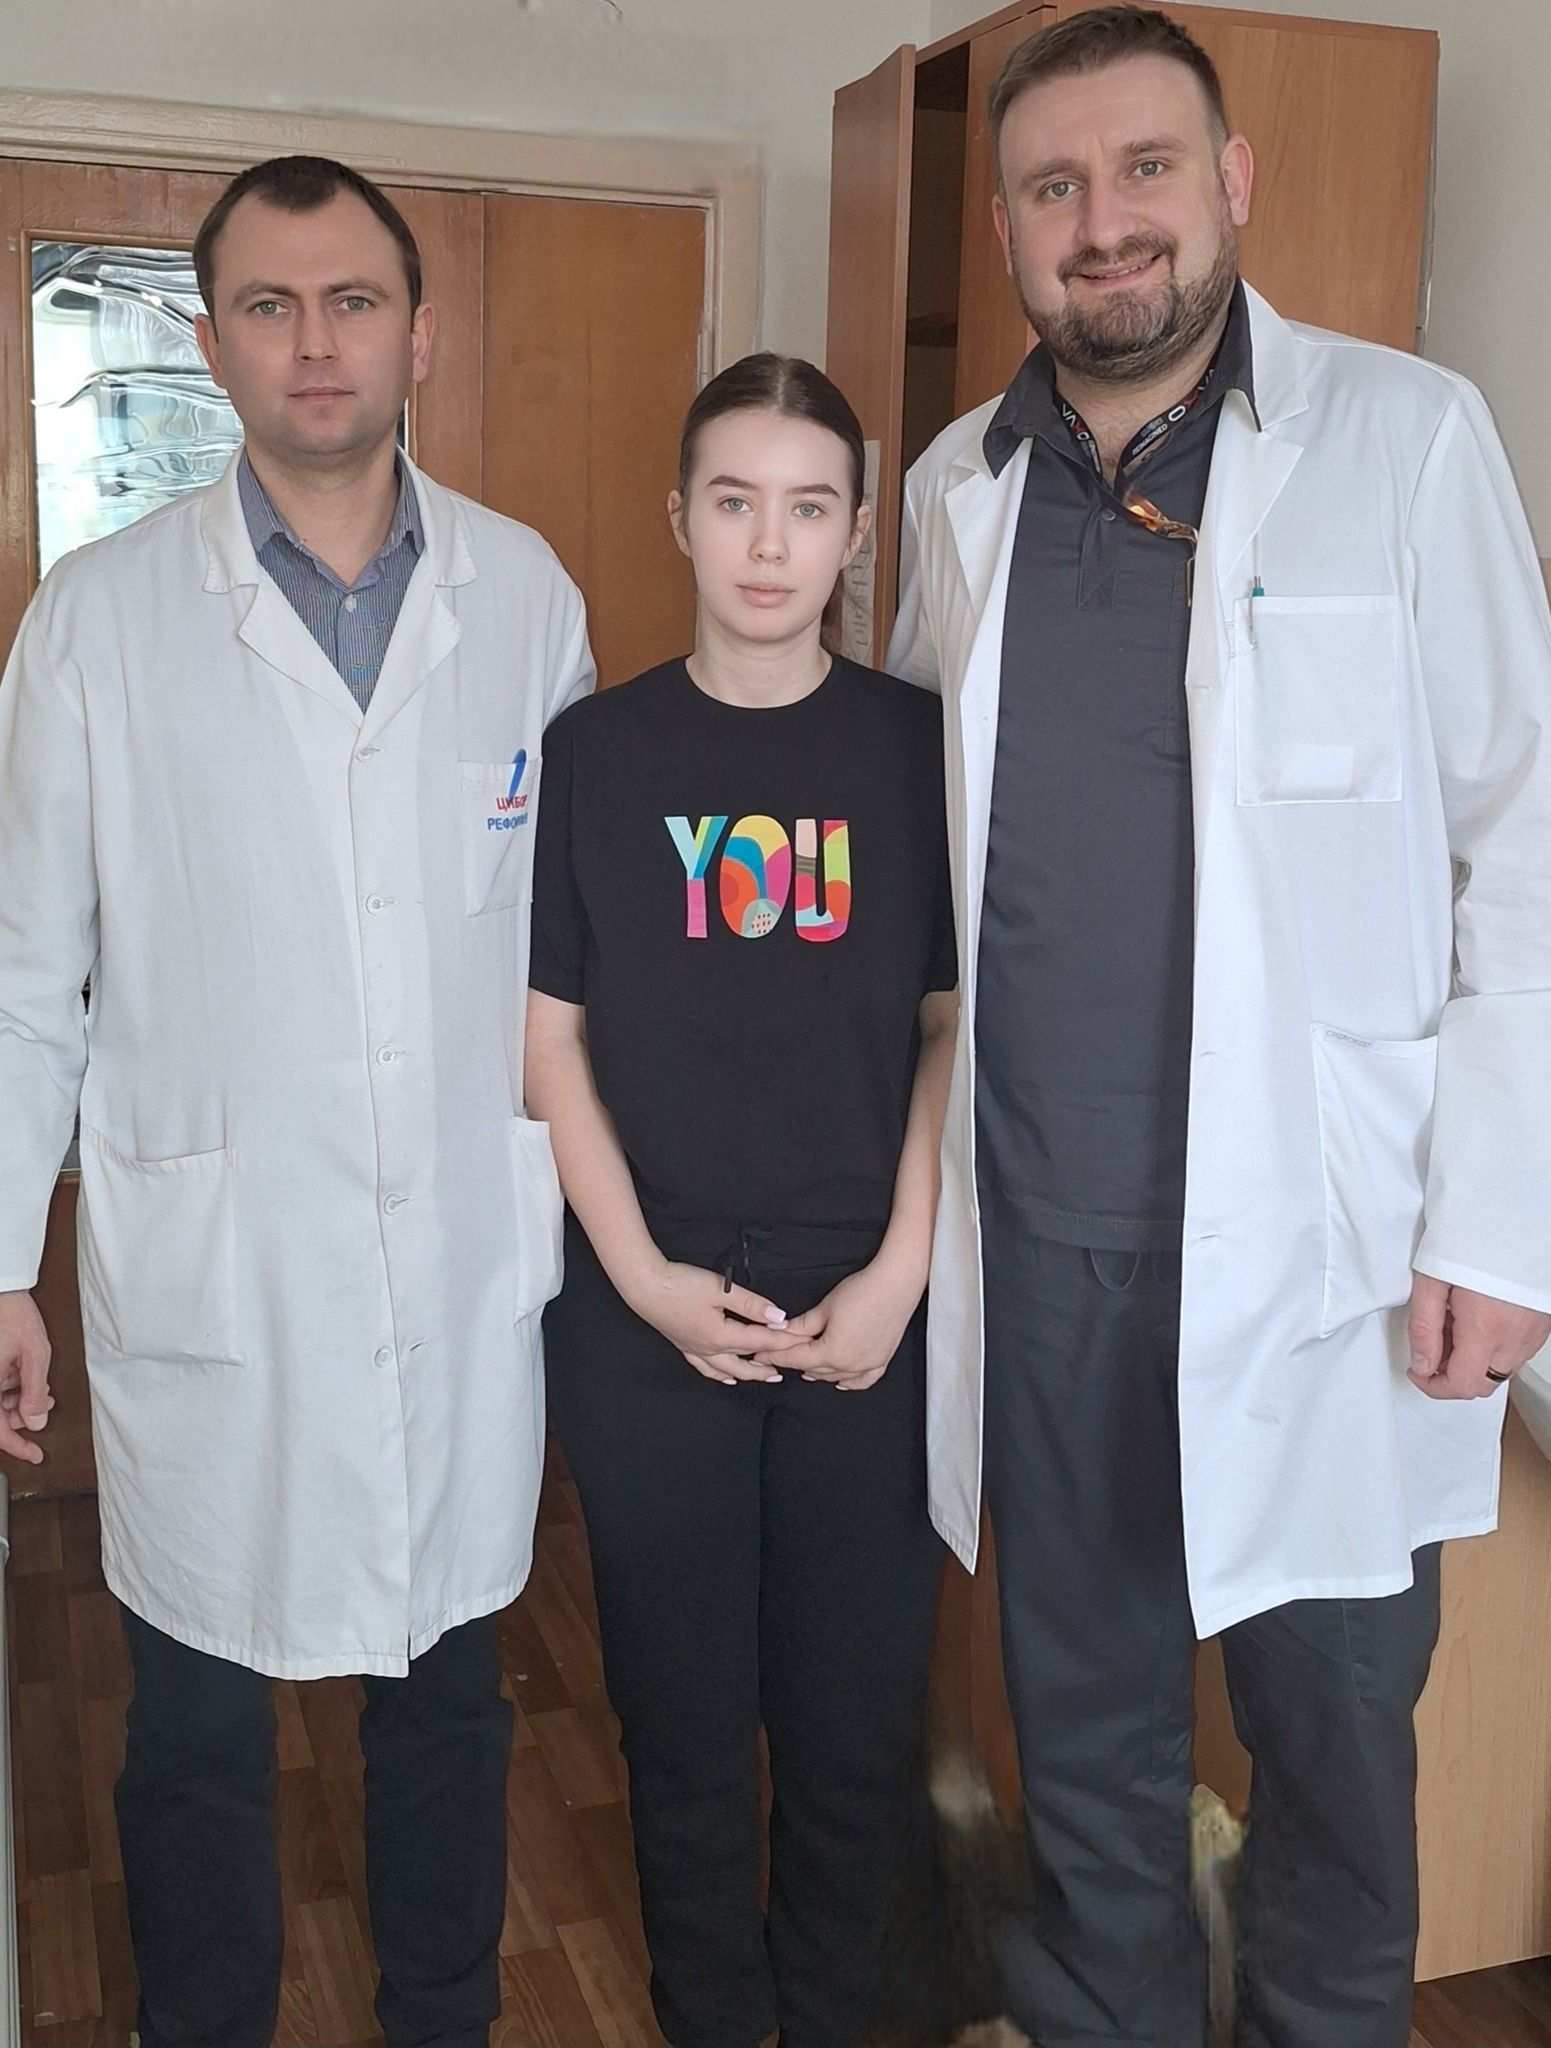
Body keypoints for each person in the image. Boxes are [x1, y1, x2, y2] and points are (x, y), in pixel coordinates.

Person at [887, 10, 1551, 2046]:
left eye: (1144, 169)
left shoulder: (1405, 437)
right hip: (1042, 1233)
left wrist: (1498, 1219)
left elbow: (1522, 838)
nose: (1103, 222)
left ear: (1231, 182)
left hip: (1331, 1252)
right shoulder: (953, 488)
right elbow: (914, 850)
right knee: (1082, 1725)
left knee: (1333, 1744)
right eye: (1054, 185)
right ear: (1009, 225)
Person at [0, 155, 593, 2048]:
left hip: (453, 1251)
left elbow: (567, 955)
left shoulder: (527, 594)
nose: (314, 341)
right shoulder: (95, 622)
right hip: (223, 1261)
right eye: (269, 305)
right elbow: (24, 971)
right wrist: (0, 1261)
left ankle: (443, 2017)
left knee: (450, 1699)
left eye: (353, 301)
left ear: (422, 335)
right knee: (191, 1725)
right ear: (210, 344)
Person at [525, 353, 956, 2048]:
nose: (769, 545)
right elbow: (549, 1041)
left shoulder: (919, 748)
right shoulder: (598, 751)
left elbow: (949, 1023)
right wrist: (639, 1276)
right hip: (648, 1318)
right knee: (683, 1725)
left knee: (852, 1730)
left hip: (871, 1315)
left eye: (808, 507)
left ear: (855, 532)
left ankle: (831, 2015)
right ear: (680, 518)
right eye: (734, 501)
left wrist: (907, 1265)